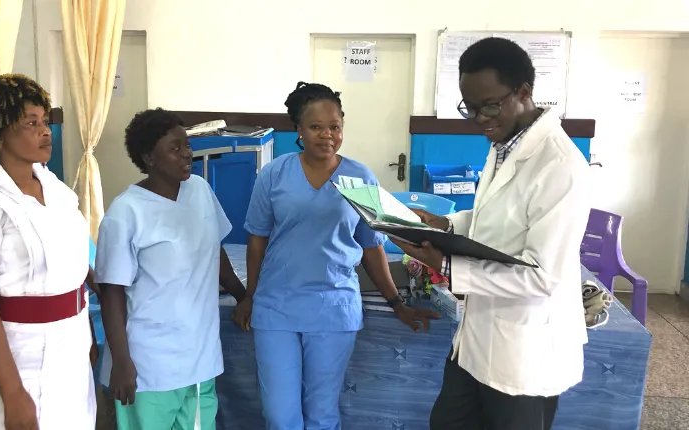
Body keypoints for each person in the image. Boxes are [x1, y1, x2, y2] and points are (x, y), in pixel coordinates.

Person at [392, 37, 590, 430]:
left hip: (525, 354)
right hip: (476, 341)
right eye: (471, 108)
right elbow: (500, 218)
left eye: (489, 105)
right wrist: (446, 224)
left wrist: (447, 265)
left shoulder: (561, 165)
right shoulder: (503, 143)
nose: (480, 118)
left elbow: (542, 277)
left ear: (524, 92)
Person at [231, 82, 440, 430]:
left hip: (334, 307)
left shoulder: (360, 177)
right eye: (316, 127)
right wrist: (250, 295)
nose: (327, 135)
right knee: (280, 417)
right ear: (299, 130)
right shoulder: (275, 175)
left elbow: (371, 246)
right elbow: (256, 241)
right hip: (276, 306)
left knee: (322, 415)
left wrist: (396, 302)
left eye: (335, 127)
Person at [0, 74, 96, 429]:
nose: (45, 131)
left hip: (70, 346)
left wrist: (85, 332)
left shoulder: (57, 190)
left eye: (45, 122)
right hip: (17, 357)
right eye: (31, 123)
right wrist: (13, 393)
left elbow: (73, 272)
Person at [95, 108, 247, 430]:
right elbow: (111, 292)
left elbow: (214, 248)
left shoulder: (200, 190)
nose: (187, 154)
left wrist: (242, 296)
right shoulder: (126, 212)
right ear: (149, 157)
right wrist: (122, 362)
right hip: (149, 363)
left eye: (187, 145)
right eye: (175, 148)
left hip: (200, 356)